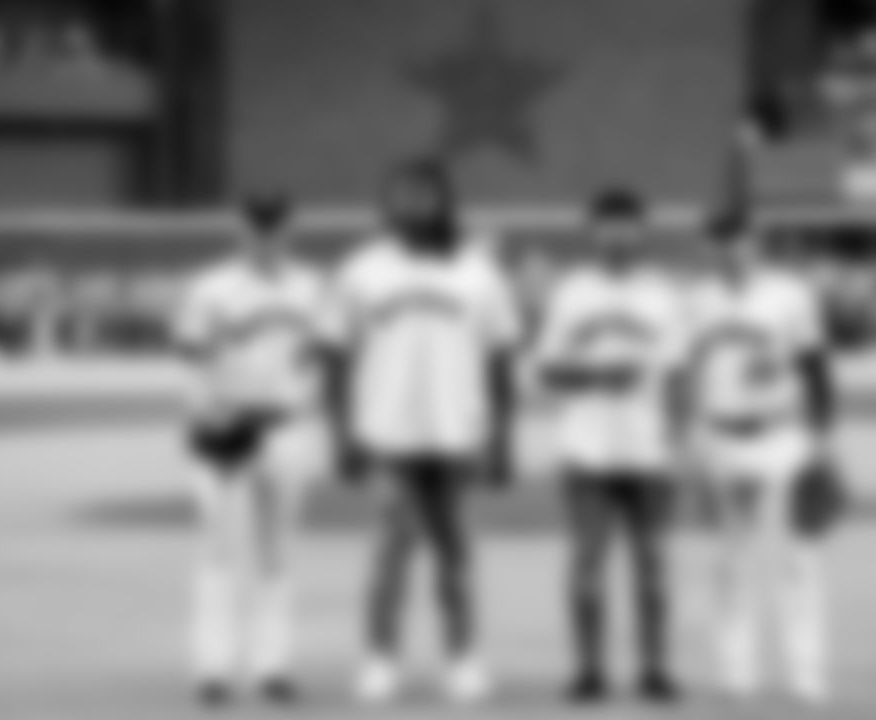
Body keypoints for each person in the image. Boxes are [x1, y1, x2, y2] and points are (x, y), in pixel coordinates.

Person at [332, 159, 520, 704]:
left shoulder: (477, 271)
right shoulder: (363, 270)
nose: (412, 206)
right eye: (401, 196)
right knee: (392, 548)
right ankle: (379, 657)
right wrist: (341, 431)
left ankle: (463, 657)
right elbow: (336, 355)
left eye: (424, 195)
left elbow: (500, 358)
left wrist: (503, 436)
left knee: (456, 551)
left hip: (456, 429)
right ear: (386, 205)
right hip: (388, 431)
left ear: (445, 201)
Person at [174, 194, 337, 706]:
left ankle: (274, 666)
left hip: (288, 427)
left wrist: (315, 411)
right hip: (225, 426)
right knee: (218, 549)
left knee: (278, 552)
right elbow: (190, 357)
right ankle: (213, 669)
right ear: (239, 232)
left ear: (290, 233)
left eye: (275, 231)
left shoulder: (313, 288)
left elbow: (328, 357)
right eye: (255, 230)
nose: (265, 240)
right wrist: (204, 418)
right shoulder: (210, 289)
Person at [681, 207, 847, 704]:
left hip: (782, 436)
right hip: (720, 437)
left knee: (800, 558)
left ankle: (807, 670)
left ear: (757, 244)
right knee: (730, 560)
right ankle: (737, 670)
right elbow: (682, 372)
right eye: (722, 240)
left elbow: (817, 367)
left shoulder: (790, 295)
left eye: (741, 240)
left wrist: (823, 439)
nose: (732, 249)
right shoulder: (694, 300)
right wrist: (689, 440)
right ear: (710, 247)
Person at [529, 188, 686, 703]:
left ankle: (655, 668)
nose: (617, 235)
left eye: (627, 225)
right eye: (607, 225)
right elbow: (546, 369)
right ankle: (589, 669)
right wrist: (596, 374)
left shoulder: (664, 293)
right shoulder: (571, 292)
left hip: (648, 447)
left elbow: (680, 373)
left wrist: (680, 440)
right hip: (587, 445)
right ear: (591, 232)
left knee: (653, 563)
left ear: (643, 231)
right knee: (587, 562)